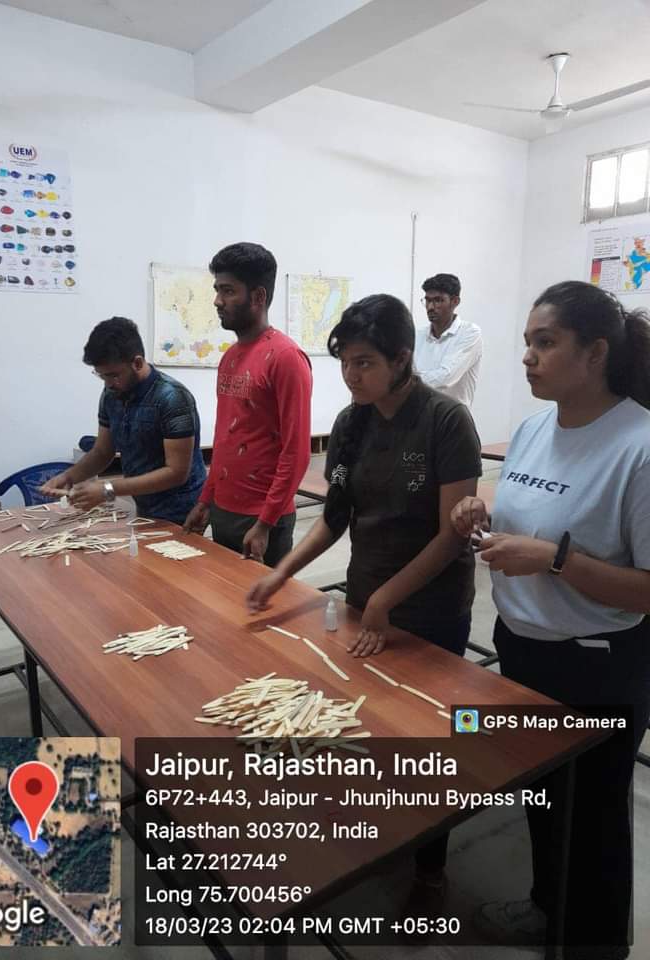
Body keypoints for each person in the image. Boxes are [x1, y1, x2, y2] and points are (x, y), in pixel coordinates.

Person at [247, 293, 482, 897]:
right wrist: (283, 572)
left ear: (402, 358)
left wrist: (387, 599)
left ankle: (430, 867)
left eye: (365, 363)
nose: (351, 376)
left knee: (429, 742)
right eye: (345, 363)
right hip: (365, 601)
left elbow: (450, 535)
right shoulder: (352, 422)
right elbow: (335, 519)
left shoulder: (446, 422)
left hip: (428, 607)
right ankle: (374, 833)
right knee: (370, 728)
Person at [451, 281, 650, 959]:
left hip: (597, 662)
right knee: (544, 795)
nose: (529, 358)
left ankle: (595, 943)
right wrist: (475, 515)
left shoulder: (640, 447)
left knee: (593, 813)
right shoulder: (536, 429)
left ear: (594, 353)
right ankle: (546, 908)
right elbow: (524, 514)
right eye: (528, 343)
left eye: (545, 342)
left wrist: (554, 559)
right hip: (525, 646)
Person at [183, 242, 312, 567]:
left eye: (227, 291)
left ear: (258, 297)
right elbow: (227, 436)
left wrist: (266, 523)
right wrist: (206, 500)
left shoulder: (286, 358)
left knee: (263, 612)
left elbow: (296, 451)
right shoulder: (230, 357)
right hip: (224, 510)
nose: (217, 301)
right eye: (217, 290)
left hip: (262, 516)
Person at [40, 316, 206, 522]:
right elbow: (102, 452)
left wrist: (107, 489)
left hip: (183, 511)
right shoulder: (112, 393)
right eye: (101, 376)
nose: (108, 383)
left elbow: (176, 472)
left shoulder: (172, 398)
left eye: (113, 375)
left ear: (137, 363)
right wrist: (68, 477)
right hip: (145, 507)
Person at [413, 273, 482, 406]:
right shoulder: (417, 336)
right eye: (427, 300)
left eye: (438, 300)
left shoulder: (470, 333)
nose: (430, 307)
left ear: (455, 301)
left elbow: (445, 378)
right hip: (419, 419)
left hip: (452, 422)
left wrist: (406, 381)